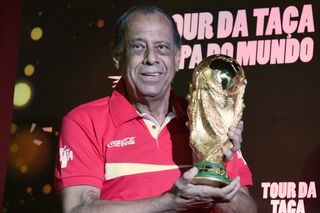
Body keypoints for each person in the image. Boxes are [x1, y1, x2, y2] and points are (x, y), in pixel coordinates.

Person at [55, 4, 257, 213]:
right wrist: (169, 202)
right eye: (138, 47)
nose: (151, 58)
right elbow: (78, 209)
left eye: (162, 47)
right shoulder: (84, 122)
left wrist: (212, 168)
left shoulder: (207, 119)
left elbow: (247, 210)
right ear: (117, 56)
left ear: (177, 58)